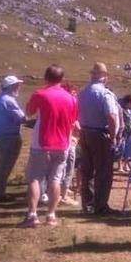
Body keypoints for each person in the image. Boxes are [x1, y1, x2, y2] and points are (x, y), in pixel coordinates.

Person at [20, 65, 78, 228]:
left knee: (35, 178)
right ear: (61, 79)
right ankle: (51, 215)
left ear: (46, 77)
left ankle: (32, 215)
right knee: (55, 179)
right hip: (63, 143)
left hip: (42, 142)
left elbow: (29, 112)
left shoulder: (40, 94)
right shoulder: (71, 98)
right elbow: (73, 120)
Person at [77, 62, 118, 215]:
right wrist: (113, 137)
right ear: (104, 77)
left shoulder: (83, 93)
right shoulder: (104, 94)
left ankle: (87, 203)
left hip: (85, 132)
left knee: (87, 170)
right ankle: (100, 205)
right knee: (103, 171)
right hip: (100, 134)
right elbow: (111, 117)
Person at [0, 75, 26, 201]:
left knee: (1, 165)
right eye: (17, 85)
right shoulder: (9, 101)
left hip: (1, 135)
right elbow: (22, 119)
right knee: (6, 166)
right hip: (10, 137)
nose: (19, 87)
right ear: (11, 87)